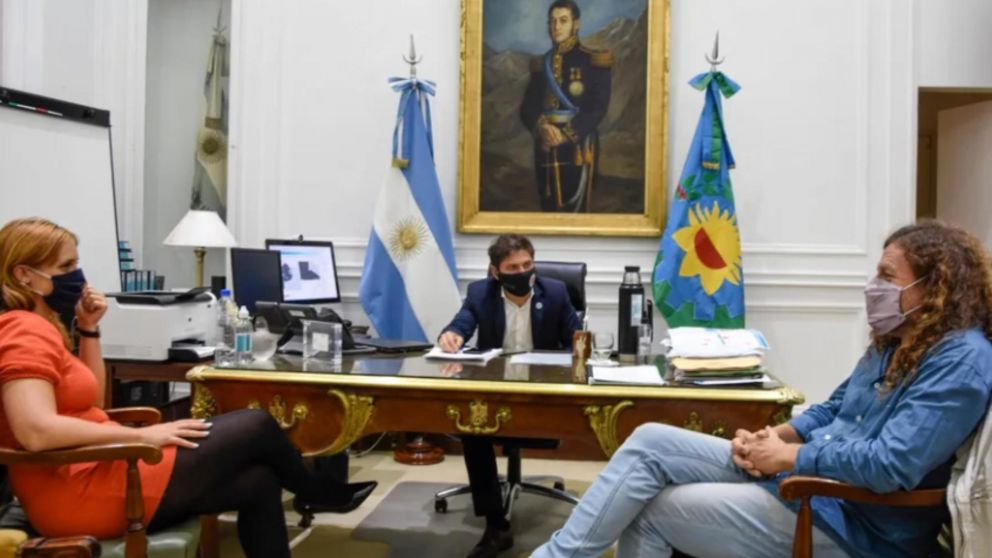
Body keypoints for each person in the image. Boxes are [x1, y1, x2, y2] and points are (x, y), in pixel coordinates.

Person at [532, 220, 992, 558]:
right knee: (651, 439)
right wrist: (778, 438)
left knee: (654, 509)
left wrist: (793, 458)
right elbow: (834, 409)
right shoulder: (897, 340)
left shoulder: (962, 360)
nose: (873, 287)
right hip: (815, 482)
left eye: (887, 277)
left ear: (934, 287)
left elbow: (892, 464)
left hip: (856, 522)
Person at [0, 217, 377, 558]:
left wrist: (88, 328)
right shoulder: (22, 330)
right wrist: (150, 435)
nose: (78, 275)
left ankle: (315, 493)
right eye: (65, 267)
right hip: (76, 491)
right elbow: (36, 431)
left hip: (99, 466)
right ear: (25, 275)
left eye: (76, 263)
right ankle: (315, 492)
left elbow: (93, 403)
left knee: (258, 481)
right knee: (257, 424)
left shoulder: (45, 326)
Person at [439, 233, 581, 558]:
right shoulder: (481, 293)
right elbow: (461, 324)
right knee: (473, 429)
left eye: (528, 264)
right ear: (495, 272)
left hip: (541, 394)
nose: (522, 272)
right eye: (512, 267)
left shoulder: (555, 293)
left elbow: (576, 338)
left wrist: (580, 343)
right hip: (496, 391)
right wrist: (451, 336)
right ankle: (495, 525)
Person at [519, 0, 612, 213]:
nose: (556, 27)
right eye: (552, 21)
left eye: (563, 21)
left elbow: (598, 107)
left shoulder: (593, 61)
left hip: (578, 146)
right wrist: (542, 127)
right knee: (548, 206)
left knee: (577, 210)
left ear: (575, 24)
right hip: (545, 145)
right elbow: (528, 107)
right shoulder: (541, 64)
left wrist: (567, 134)